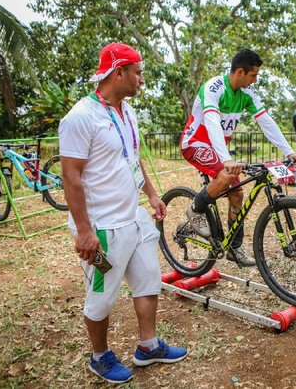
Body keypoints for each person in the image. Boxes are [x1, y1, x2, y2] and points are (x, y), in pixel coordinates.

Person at [59, 43, 187, 384]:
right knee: (101, 295)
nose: (141, 79)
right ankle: (99, 356)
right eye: (138, 72)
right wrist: (85, 231)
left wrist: (152, 194)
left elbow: (133, 156)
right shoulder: (80, 117)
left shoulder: (125, 111)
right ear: (119, 73)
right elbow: (70, 176)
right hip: (101, 230)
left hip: (135, 219)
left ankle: (149, 346)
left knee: (148, 279)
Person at [181, 49, 296, 266]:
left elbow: (266, 121)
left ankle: (234, 248)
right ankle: (196, 209)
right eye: (253, 75)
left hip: (218, 149)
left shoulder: (247, 94)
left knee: (237, 194)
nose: (255, 80)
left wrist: (288, 151)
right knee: (226, 175)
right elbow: (211, 122)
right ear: (240, 72)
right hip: (196, 143)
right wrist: (226, 159)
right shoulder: (213, 88)